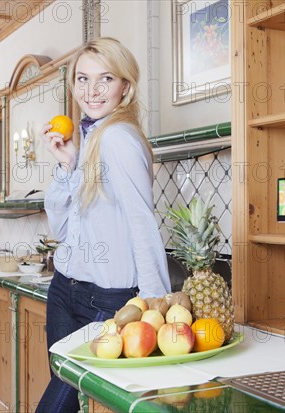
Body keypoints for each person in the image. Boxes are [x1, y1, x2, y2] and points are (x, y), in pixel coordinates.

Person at [36, 37, 171, 412]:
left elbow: (142, 223)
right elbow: (61, 231)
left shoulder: (118, 138)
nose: (91, 91)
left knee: (58, 404)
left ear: (125, 86)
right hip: (65, 289)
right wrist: (67, 166)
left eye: (105, 79)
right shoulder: (86, 139)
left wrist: (154, 302)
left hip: (105, 300)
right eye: (82, 79)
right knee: (68, 399)